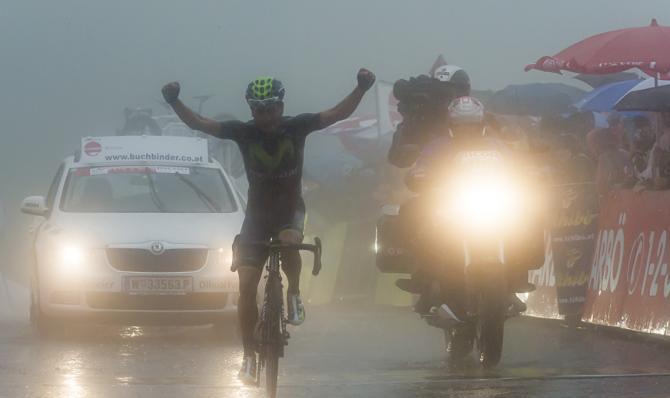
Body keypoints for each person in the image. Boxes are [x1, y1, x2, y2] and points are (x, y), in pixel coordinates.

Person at [161, 68, 376, 383]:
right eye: (259, 110)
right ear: (251, 109)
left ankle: (295, 294)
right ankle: (248, 356)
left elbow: (336, 114)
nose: (266, 115)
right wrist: (175, 102)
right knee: (246, 287)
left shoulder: (297, 127)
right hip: (257, 217)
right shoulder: (243, 132)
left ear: (282, 107)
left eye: (272, 108)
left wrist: (361, 88)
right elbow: (201, 124)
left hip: (290, 211)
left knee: (290, 239)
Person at [387, 66, 471, 167]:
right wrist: (408, 153)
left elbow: (492, 139)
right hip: (431, 174)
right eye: (444, 93)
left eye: (461, 89)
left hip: (471, 173)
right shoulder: (420, 119)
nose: (458, 95)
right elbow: (398, 158)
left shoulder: (473, 113)